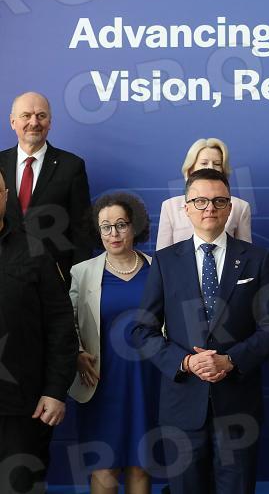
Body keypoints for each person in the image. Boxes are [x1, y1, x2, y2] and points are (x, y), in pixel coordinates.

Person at [131, 168, 269, 493]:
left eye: (219, 201)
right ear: (186, 207)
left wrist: (231, 360)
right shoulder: (165, 261)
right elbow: (142, 330)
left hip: (238, 406)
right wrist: (185, 362)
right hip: (182, 407)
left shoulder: (258, 259)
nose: (210, 207)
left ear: (230, 208)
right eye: (200, 201)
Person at [68, 192, 159, 493]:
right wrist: (77, 352)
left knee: (141, 465)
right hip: (100, 381)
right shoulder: (82, 273)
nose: (114, 233)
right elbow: (66, 323)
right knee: (104, 469)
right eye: (105, 227)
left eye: (121, 224)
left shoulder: (159, 268)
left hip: (148, 380)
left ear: (135, 226)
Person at [0, 166, 77, 493]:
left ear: (5, 196)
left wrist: (56, 390)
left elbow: (61, 324)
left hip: (23, 407)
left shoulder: (35, 250)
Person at [0, 91, 93, 284]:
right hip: (4, 276)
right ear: (12, 122)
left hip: (53, 280)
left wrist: (78, 283)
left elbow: (82, 231)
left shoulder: (72, 166)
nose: (34, 122)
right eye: (26, 115)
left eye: (41, 116)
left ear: (49, 122)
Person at [156, 138, 251, 249]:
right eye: (204, 163)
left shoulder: (240, 207)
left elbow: (246, 252)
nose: (210, 167)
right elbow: (162, 254)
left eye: (217, 164)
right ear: (190, 169)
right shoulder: (170, 207)